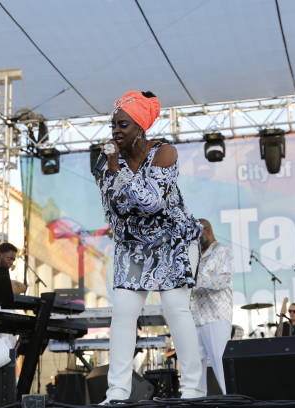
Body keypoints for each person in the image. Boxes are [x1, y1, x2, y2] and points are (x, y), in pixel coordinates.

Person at [94, 90, 204, 401]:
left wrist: (118, 169)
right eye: (113, 125)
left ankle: (193, 391)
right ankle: (117, 392)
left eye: (123, 125)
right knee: (123, 313)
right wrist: (111, 168)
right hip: (133, 245)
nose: (115, 131)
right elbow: (112, 207)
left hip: (172, 240)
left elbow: (151, 201)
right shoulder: (107, 161)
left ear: (140, 128)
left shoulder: (164, 153)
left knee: (175, 309)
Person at [190, 218, 233, 395]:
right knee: (195, 369)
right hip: (194, 318)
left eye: (196, 235)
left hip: (216, 317)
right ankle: (197, 401)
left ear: (206, 230)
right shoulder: (194, 255)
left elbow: (223, 281)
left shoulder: (222, 251)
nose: (194, 239)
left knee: (221, 365)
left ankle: (233, 399)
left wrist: (193, 280)